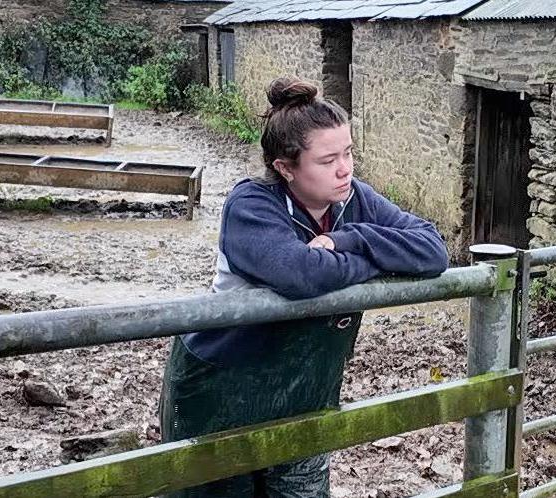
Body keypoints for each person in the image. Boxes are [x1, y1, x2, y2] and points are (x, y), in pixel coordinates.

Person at [159, 76, 449, 497]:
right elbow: (301, 274)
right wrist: (375, 260)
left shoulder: (355, 200)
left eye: (348, 152)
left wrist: (348, 240)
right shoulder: (252, 205)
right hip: (222, 388)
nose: (345, 168)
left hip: (307, 385)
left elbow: (432, 250)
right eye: (327, 159)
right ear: (286, 168)